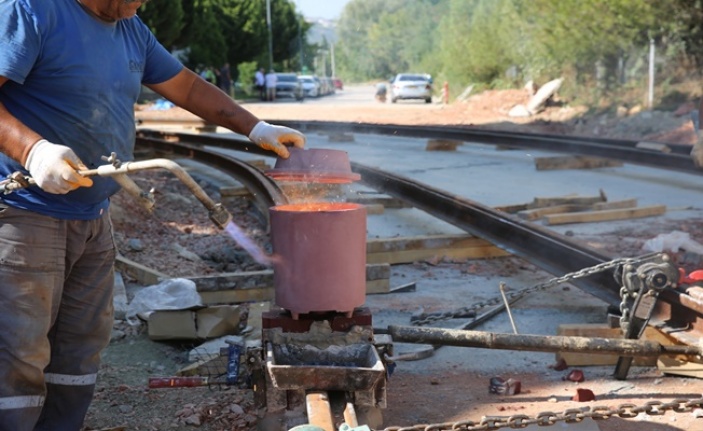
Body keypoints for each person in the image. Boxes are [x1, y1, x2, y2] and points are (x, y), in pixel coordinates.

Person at [0, 1, 305, 430]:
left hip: (92, 217)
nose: (142, 2)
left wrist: (255, 128)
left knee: (79, 350)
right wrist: (32, 150)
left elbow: (188, 87)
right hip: (24, 215)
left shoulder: (130, 29)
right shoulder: (32, 11)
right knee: (18, 356)